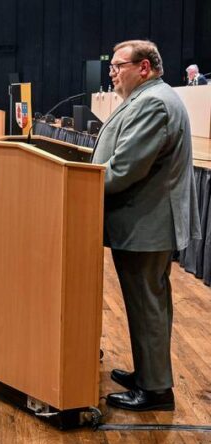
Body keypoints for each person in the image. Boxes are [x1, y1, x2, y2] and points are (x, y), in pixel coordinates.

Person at [92, 40, 200, 412]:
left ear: (144, 67)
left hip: (147, 225)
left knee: (147, 304)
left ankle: (156, 391)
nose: (112, 72)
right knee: (145, 304)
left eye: (118, 66)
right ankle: (148, 373)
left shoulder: (154, 102)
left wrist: (77, 182)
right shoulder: (148, 98)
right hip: (143, 223)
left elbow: (124, 168)